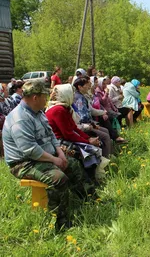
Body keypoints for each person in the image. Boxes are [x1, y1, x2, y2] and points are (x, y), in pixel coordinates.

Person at [2, 80, 89, 230]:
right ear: (35, 98)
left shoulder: (38, 113)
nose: (47, 99)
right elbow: (30, 150)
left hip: (44, 156)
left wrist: (60, 154)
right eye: (44, 96)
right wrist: (55, 159)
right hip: (24, 163)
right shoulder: (20, 118)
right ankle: (59, 221)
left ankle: (87, 200)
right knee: (58, 178)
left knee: (73, 164)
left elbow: (51, 136)